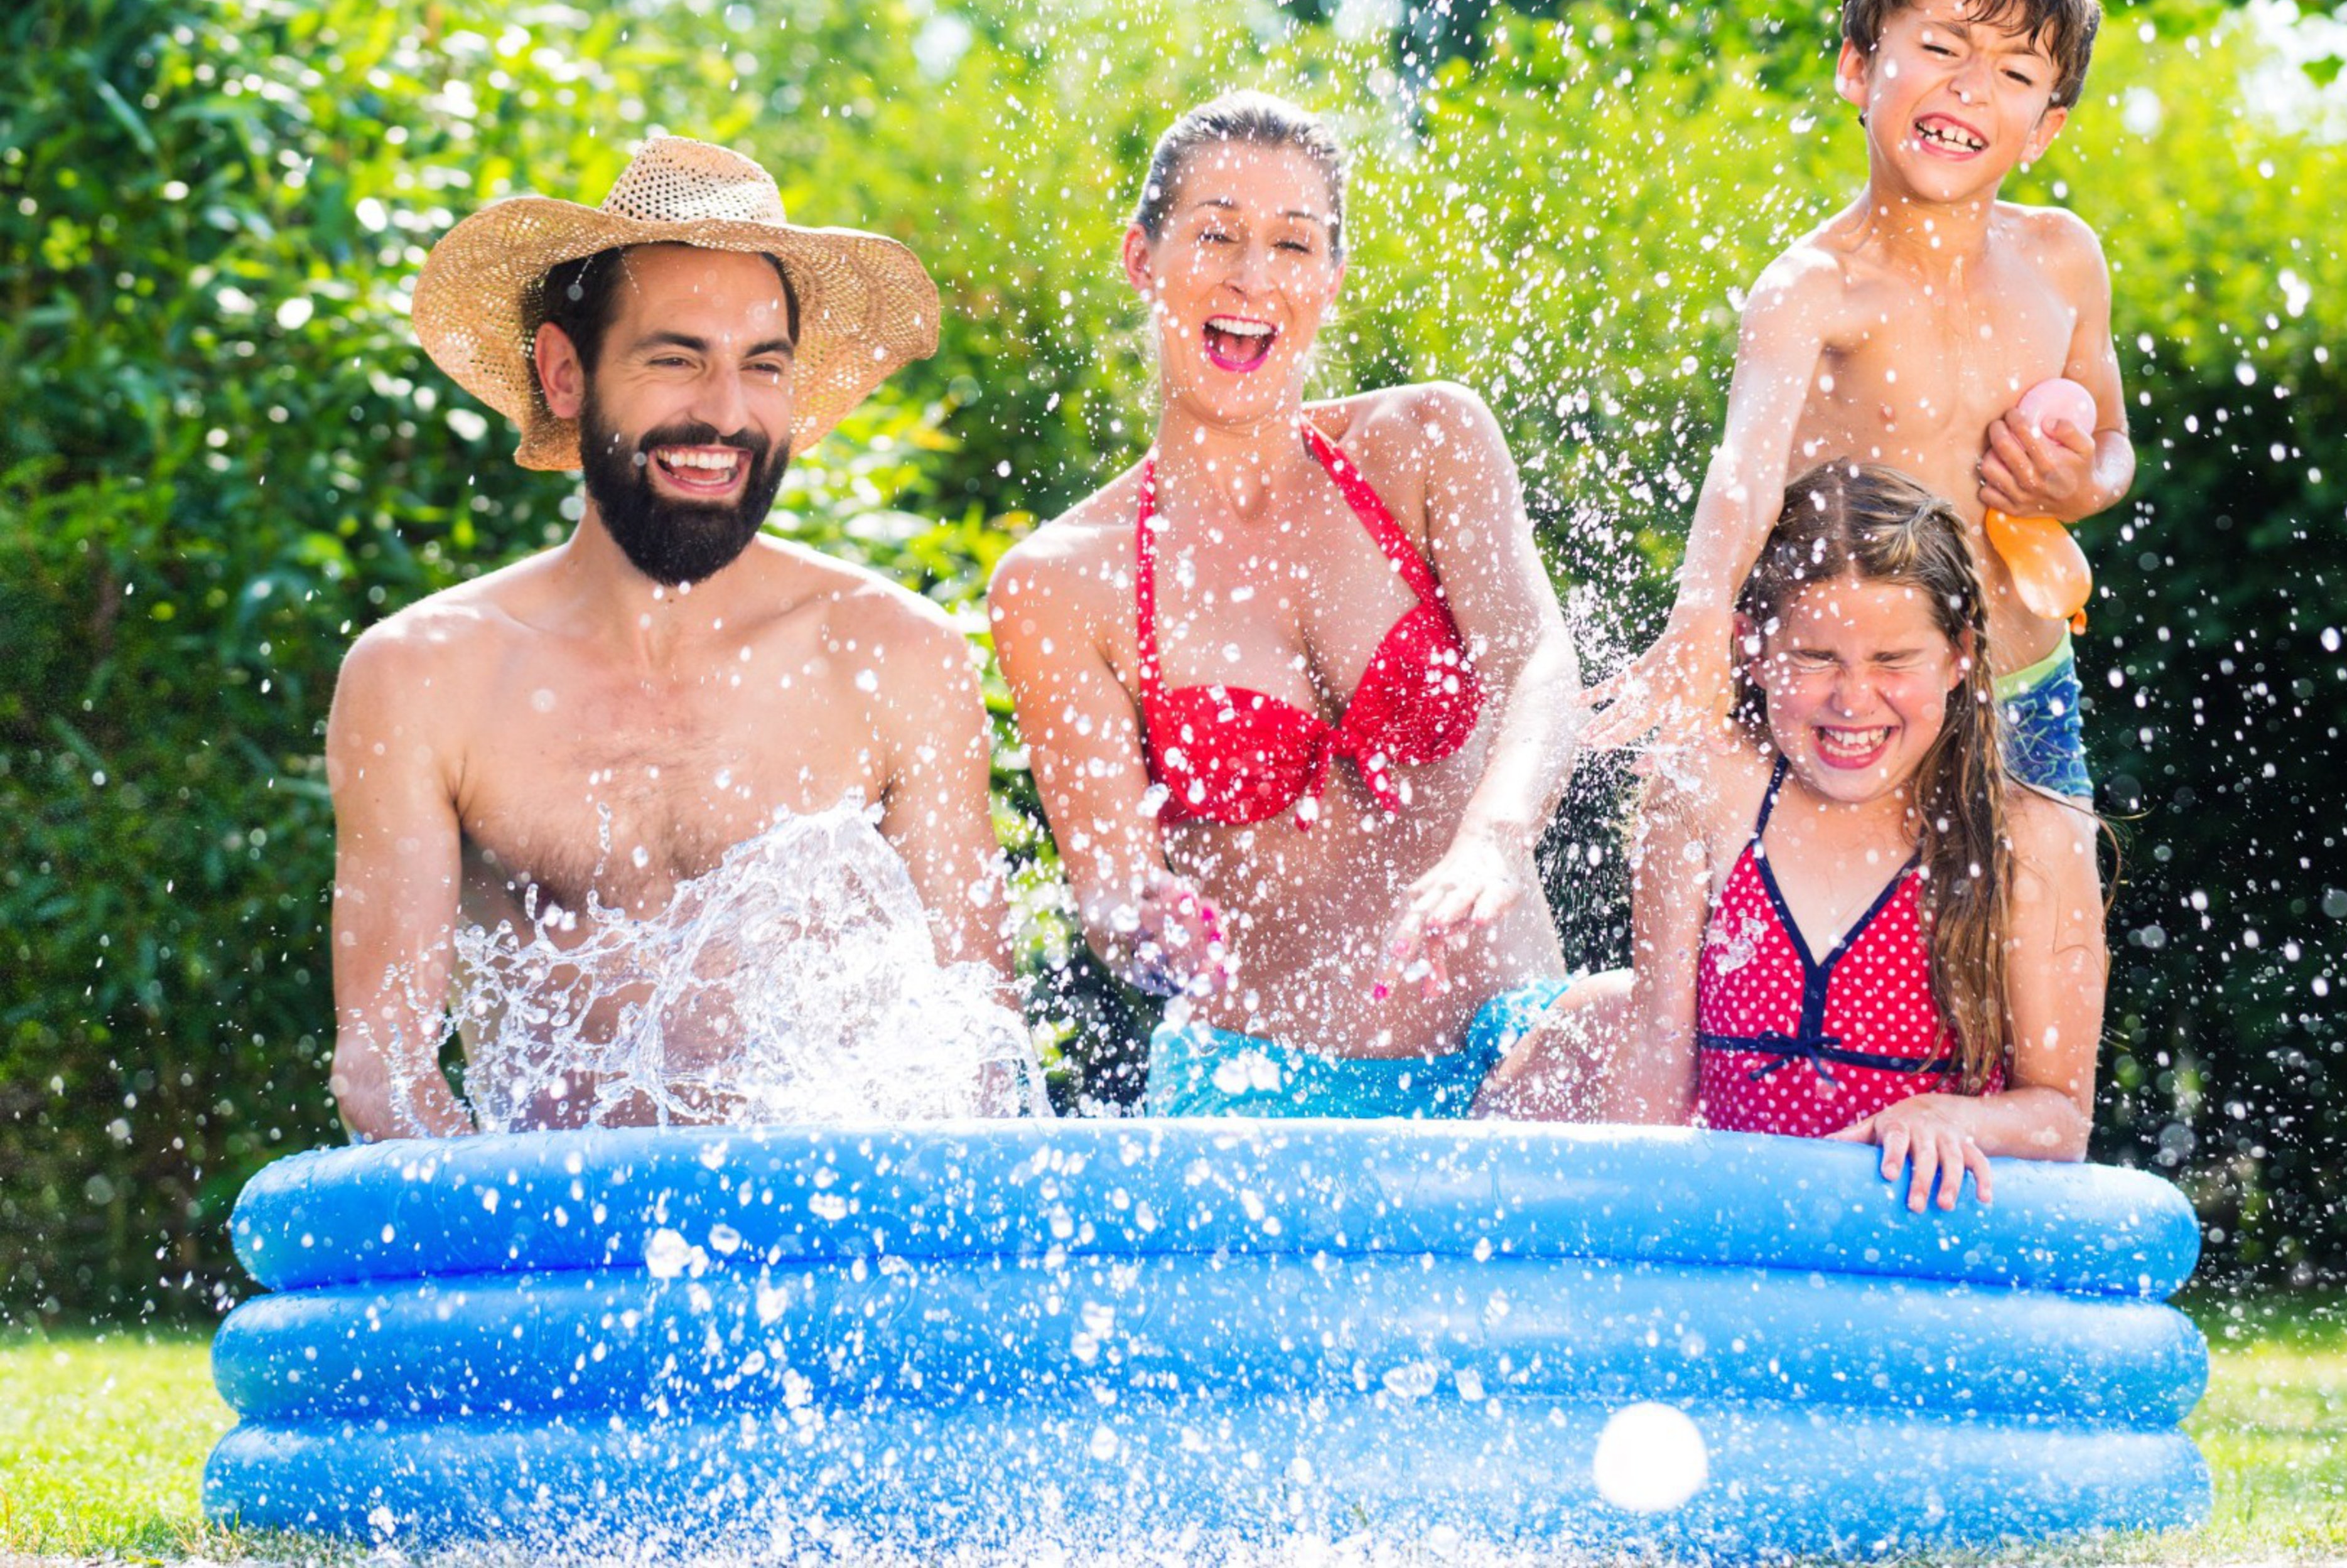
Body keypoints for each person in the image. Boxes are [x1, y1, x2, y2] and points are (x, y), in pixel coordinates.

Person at [326, 136, 1022, 1138]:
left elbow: (979, 1046)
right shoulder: (427, 677)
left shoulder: (892, 657)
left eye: (763, 366)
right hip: (554, 1255)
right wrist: (512, 1276)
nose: (726, 414)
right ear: (564, 374)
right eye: (676, 359)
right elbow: (382, 1071)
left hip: (827, 1261)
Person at [990, 92, 1589, 1117]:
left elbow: (1541, 663)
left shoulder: (1426, 445)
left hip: (1508, 1046)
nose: (1252, 277)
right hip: (1263, 1085)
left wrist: (1492, 836)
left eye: (1292, 245)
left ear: (1331, 278)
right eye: (1215, 234)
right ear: (1143, 259)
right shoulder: (1059, 581)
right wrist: (1146, 921)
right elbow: (1106, 882)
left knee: (1621, 1019)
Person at [1585, 0, 2132, 811]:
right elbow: (1743, 470)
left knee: (2052, 944)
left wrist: (2079, 488)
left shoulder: (2062, 258)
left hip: (2027, 685)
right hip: (1860, 702)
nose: (1969, 88)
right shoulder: (1815, 288)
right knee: (1843, 946)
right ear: (1858, 66)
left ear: (2045, 127)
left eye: (2015, 70)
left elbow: (2112, 438)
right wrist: (1699, 615)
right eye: (1943, 47)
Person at [1580, 463, 2107, 1210]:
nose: (1854, 700)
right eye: (1815, 658)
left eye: (1894, 661)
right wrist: (1621, 1230)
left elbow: (2061, 1117)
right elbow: (1660, 1050)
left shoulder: (2028, 838)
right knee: (1588, 1021)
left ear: (1959, 655)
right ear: (1753, 649)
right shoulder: (1709, 790)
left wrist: (1943, 1115)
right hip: (1739, 1215)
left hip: (1907, 1244)